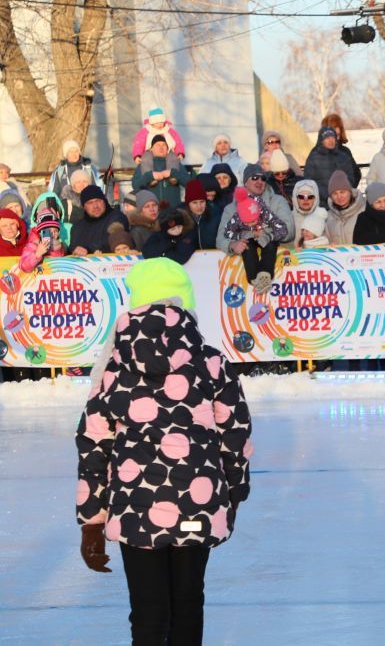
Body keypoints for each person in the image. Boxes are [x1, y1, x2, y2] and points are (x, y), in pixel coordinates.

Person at [75, 257, 252, 646]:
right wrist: (233, 496)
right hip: (198, 499)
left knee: (148, 611)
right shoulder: (211, 361)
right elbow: (235, 435)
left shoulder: (115, 365)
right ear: (185, 301)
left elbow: (93, 441)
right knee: (188, 603)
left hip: (135, 503)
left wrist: (92, 519)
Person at [217, 164, 293, 292]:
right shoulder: (231, 208)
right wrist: (233, 244)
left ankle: (264, 277)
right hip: (242, 281)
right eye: (254, 177)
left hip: (280, 275)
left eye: (263, 178)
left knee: (269, 242)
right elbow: (220, 237)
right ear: (245, 182)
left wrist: (265, 233)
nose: (259, 181)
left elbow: (290, 231)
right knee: (248, 245)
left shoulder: (278, 201)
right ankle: (255, 279)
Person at [304, 126, 360, 201]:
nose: (331, 140)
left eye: (333, 138)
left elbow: (351, 178)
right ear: (321, 141)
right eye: (327, 138)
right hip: (322, 201)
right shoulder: (313, 158)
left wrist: (342, 193)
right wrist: (328, 195)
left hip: (343, 200)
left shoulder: (344, 157)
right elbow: (309, 181)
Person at [69, 185, 129, 255]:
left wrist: (88, 249)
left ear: (104, 201)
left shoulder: (117, 218)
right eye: (90, 203)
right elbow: (72, 249)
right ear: (84, 207)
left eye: (98, 201)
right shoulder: (77, 227)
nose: (95, 206)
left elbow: (114, 241)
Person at [131, 136, 190, 207]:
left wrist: (172, 173)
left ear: (167, 148)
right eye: (158, 145)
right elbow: (135, 185)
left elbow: (189, 184)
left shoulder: (175, 163)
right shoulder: (143, 164)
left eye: (164, 145)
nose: (161, 147)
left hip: (173, 212)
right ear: (151, 149)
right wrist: (150, 176)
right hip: (151, 212)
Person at [324, 170, 366, 245]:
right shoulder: (328, 217)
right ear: (331, 197)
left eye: (342, 192)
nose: (339, 197)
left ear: (350, 192)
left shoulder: (364, 211)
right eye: (335, 193)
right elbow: (325, 242)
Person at [181, 178, 221, 250]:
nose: (199, 206)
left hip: (214, 258)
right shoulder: (180, 218)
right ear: (188, 204)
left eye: (202, 201)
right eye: (194, 203)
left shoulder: (216, 216)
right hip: (188, 259)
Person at [290, 178, 329, 249]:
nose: (306, 199)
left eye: (310, 196)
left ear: (316, 198)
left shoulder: (324, 217)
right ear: (296, 199)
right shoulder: (289, 218)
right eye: (301, 196)